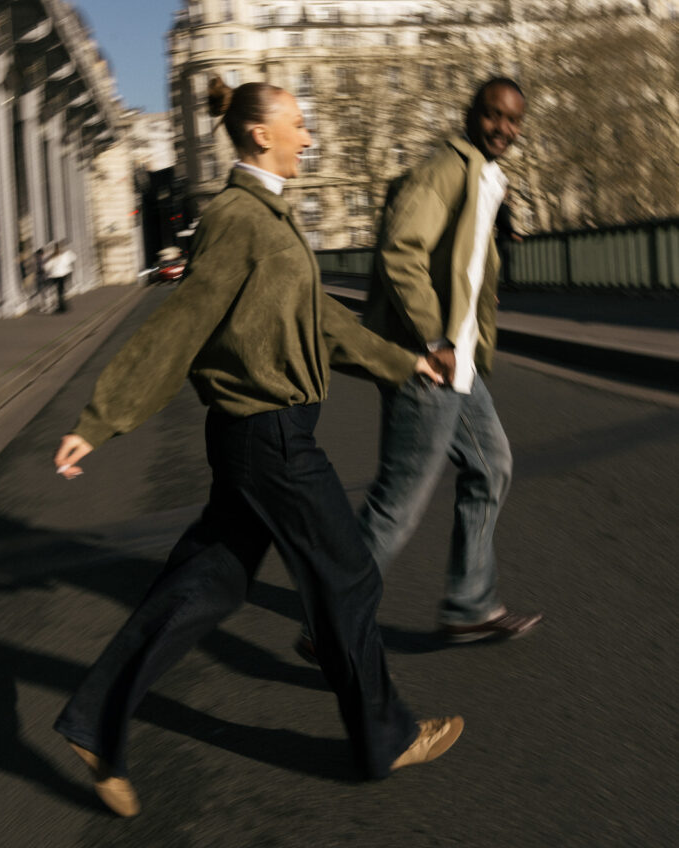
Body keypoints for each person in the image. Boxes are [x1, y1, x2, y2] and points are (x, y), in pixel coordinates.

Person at [52, 81, 463, 818]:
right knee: (347, 576)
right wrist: (101, 418)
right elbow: (182, 323)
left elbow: (319, 322)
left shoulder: (270, 214)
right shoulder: (237, 219)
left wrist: (405, 363)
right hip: (269, 435)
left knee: (209, 582)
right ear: (260, 136)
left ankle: (92, 722)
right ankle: (386, 737)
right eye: (298, 125)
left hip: (263, 436)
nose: (308, 137)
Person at [297, 78, 542, 662]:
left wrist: (473, 310)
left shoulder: (485, 175)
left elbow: (464, 261)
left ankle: (469, 605)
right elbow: (401, 249)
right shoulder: (444, 170)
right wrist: (435, 335)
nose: (503, 128)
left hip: (458, 361)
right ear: (471, 114)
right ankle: (328, 623)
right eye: (493, 115)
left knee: (492, 467)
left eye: (513, 120)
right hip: (428, 360)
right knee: (399, 501)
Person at [45, 240, 76, 313]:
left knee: (58, 291)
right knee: (61, 290)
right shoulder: (65, 254)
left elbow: (47, 267)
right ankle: (62, 305)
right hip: (64, 274)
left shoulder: (53, 256)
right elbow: (74, 257)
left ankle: (61, 306)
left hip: (55, 276)